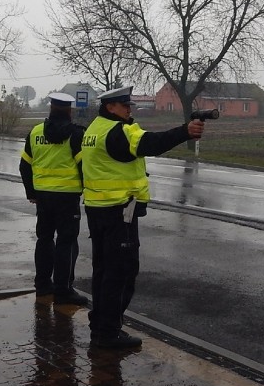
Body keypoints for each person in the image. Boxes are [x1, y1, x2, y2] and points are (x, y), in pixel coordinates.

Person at [82, 86, 205, 348]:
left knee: (103, 270)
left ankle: (100, 325)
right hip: (118, 212)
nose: (130, 110)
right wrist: (185, 132)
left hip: (97, 208)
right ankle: (108, 333)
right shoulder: (118, 132)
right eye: (125, 106)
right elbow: (151, 144)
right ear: (110, 107)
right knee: (122, 273)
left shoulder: (94, 128)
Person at [19, 92, 88, 305]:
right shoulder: (76, 134)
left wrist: (31, 193)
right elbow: (84, 166)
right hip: (67, 197)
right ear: (70, 110)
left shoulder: (36, 132)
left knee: (44, 240)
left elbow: (24, 165)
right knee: (66, 242)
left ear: (50, 107)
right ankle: (63, 290)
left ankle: (42, 286)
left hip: (43, 198)